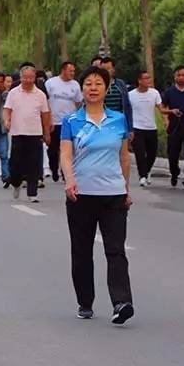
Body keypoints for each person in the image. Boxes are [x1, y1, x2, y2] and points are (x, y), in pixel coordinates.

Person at [60, 65, 134, 324]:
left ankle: (121, 302)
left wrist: (126, 188)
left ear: (107, 88)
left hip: (113, 194)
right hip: (81, 195)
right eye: (88, 83)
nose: (93, 88)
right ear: (82, 89)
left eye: (98, 84)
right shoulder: (72, 121)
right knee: (81, 251)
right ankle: (85, 301)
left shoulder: (118, 120)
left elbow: (124, 157)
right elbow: (65, 155)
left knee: (116, 250)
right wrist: (69, 181)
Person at [4, 65, 51, 203]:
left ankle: (32, 193)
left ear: (34, 78)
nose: (28, 80)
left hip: (35, 134)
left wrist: (46, 132)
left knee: (34, 164)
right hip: (17, 133)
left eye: (31, 77)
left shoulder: (40, 95)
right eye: (25, 77)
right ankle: (16, 183)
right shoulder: (13, 93)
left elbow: (45, 115)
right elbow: (7, 109)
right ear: (21, 77)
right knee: (15, 164)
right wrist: (7, 120)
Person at [44, 62, 83, 182]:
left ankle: (66, 172)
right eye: (70, 71)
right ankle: (54, 169)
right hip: (54, 121)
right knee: (53, 149)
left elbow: (78, 102)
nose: (72, 73)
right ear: (63, 70)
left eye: (73, 71)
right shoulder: (51, 83)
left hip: (69, 122)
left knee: (68, 149)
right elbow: (45, 101)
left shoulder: (75, 85)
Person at [128, 70, 165, 187]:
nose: (148, 80)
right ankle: (142, 176)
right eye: (145, 78)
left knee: (152, 153)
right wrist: (128, 129)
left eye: (149, 78)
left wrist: (166, 118)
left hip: (151, 128)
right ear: (139, 81)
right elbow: (127, 113)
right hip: (137, 128)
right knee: (139, 153)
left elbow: (161, 108)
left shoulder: (155, 93)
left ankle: (147, 171)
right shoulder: (131, 95)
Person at [98, 57, 134, 132]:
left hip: (119, 124)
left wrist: (130, 128)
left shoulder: (120, 84)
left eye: (108, 69)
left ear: (113, 69)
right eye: (103, 69)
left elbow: (127, 106)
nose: (106, 72)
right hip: (102, 125)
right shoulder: (97, 86)